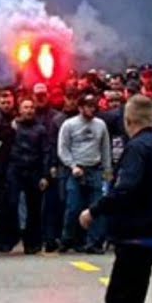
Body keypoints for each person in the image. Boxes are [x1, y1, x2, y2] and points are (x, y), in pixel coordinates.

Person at [79, 95, 152, 303]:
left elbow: (126, 190)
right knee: (134, 302)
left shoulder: (137, 148)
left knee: (117, 300)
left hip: (135, 235)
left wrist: (94, 210)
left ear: (128, 120)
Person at [58, 94, 111, 254]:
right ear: (80, 107)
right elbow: (63, 148)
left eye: (93, 106)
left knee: (97, 208)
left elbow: (105, 148)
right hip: (77, 170)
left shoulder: (100, 125)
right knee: (73, 207)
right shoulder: (69, 125)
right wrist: (72, 165)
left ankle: (93, 242)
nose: (91, 109)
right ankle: (68, 239)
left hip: (95, 169)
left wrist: (108, 171)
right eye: (88, 106)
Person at [0, 99, 52, 254]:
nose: (29, 110)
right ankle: (7, 240)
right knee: (11, 204)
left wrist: (45, 175)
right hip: (15, 169)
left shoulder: (41, 129)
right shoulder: (12, 126)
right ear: (20, 110)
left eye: (31, 107)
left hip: (34, 170)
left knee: (34, 208)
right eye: (26, 107)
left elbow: (46, 153)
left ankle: (33, 243)